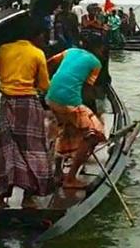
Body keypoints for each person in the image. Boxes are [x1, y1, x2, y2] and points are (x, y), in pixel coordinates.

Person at [0, 26, 53, 208]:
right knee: (33, 149)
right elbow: (45, 86)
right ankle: (28, 198)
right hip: (29, 104)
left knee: (7, 149)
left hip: (7, 104)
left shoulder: (3, 50)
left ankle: (0, 198)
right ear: (36, 35)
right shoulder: (37, 53)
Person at [46, 32, 106, 189]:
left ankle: (58, 173)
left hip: (50, 96)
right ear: (98, 47)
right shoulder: (95, 62)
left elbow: (49, 62)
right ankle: (70, 178)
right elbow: (87, 91)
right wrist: (94, 112)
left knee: (64, 130)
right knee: (94, 134)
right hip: (69, 101)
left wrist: (52, 81)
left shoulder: (70, 51)